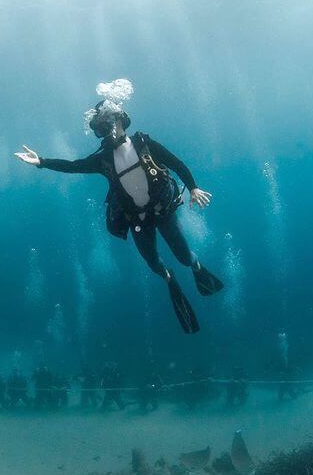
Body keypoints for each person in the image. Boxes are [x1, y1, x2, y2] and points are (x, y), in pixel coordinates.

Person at [15, 81, 223, 333]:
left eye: (111, 123)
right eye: (102, 128)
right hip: (136, 220)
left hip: (162, 211)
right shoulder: (102, 159)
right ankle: (169, 278)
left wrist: (193, 188)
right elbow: (74, 166)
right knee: (153, 262)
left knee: (183, 256)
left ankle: (196, 267)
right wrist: (41, 162)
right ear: (99, 132)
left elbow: (176, 163)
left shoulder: (144, 144)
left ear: (122, 121)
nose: (109, 131)